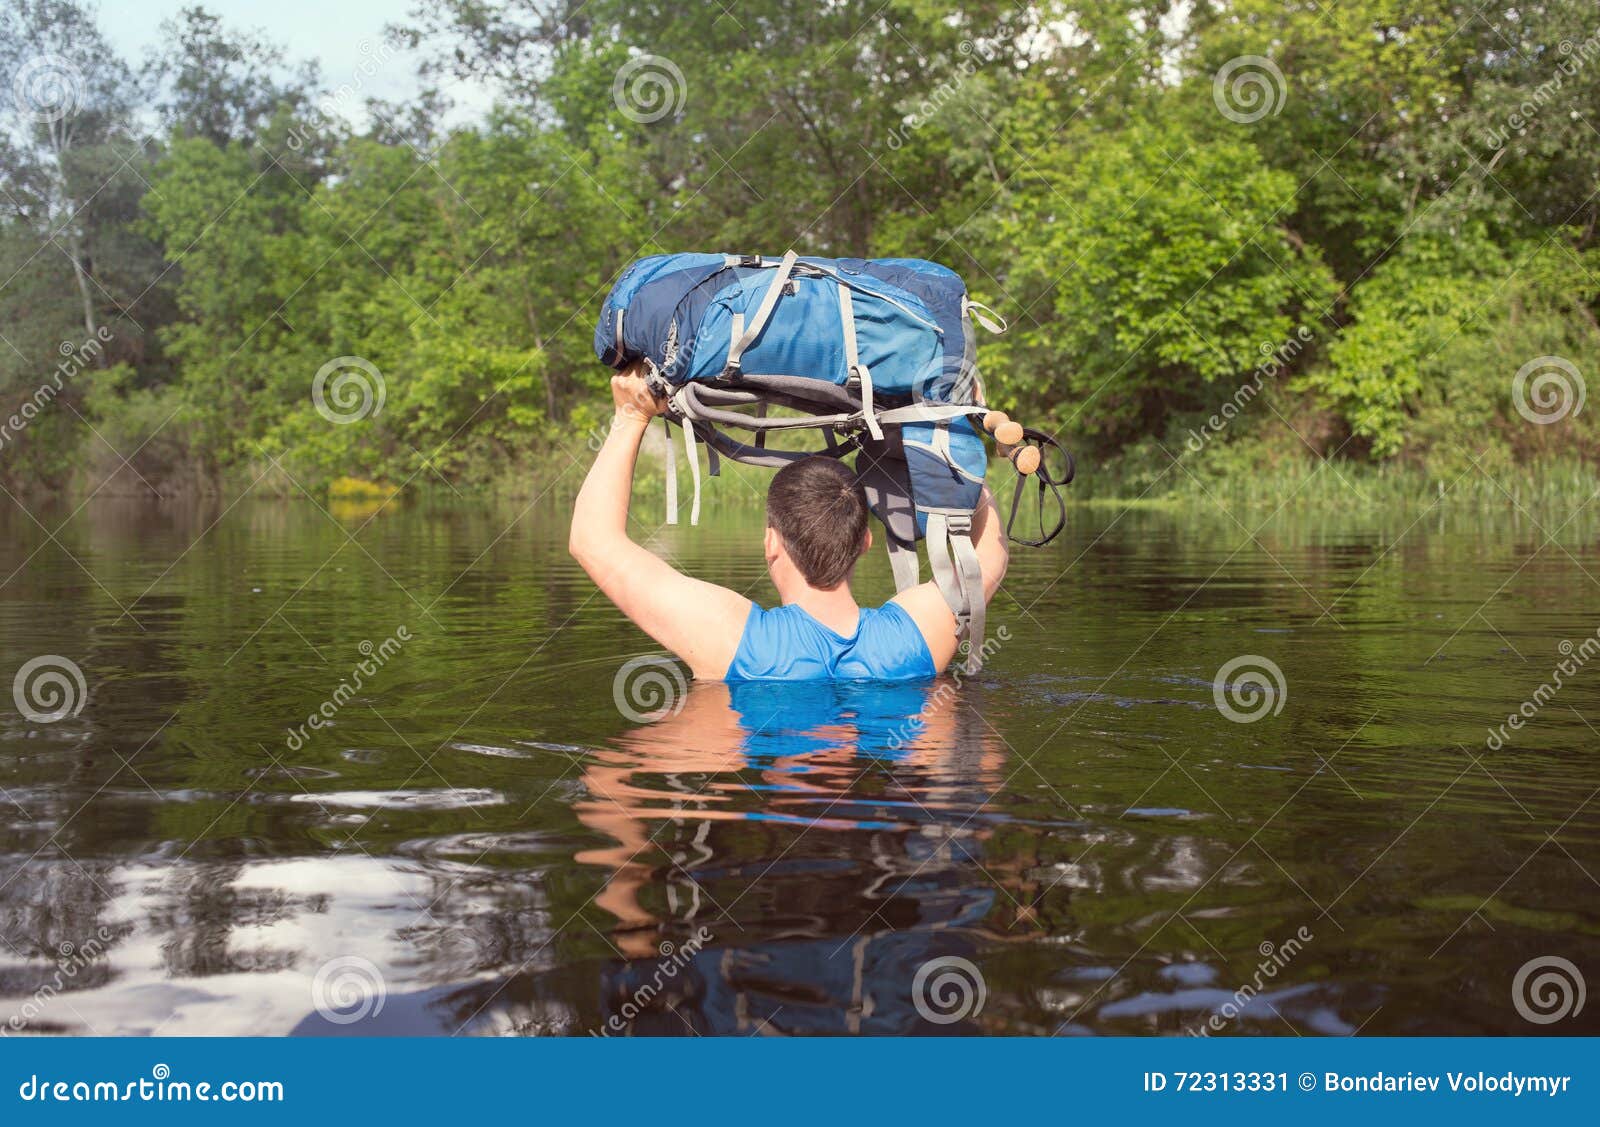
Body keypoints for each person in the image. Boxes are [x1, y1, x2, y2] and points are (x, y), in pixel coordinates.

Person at [569, 365, 1008, 681]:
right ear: (865, 542)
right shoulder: (918, 634)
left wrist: (631, 416)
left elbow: (593, 541)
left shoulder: (731, 638)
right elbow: (985, 558)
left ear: (770, 543)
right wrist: (958, 436)